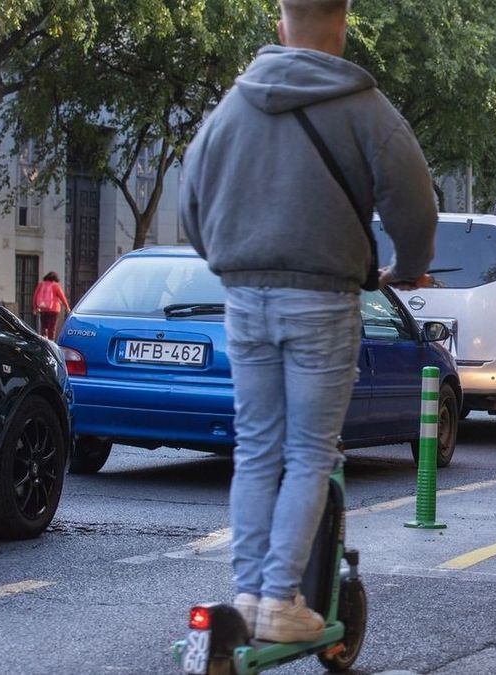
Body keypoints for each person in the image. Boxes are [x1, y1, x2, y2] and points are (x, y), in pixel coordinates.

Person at [180, 0, 438, 644]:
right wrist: (409, 267)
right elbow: (415, 204)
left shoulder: (232, 107)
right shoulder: (367, 108)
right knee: (309, 453)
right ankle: (278, 599)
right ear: (342, 27)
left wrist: (234, 260)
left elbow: (191, 205)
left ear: (281, 27)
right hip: (323, 299)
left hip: (244, 297)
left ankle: (246, 593)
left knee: (255, 447)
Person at [32, 271, 70, 341]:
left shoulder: (41, 284)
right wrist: (67, 307)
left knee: (44, 326)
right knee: (52, 327)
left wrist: (35, 308)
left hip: (43, 308)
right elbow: (62, 297)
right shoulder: (56, 286)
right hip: (54, 309)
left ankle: (44, 340)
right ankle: (51, 341)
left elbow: (35, 296)